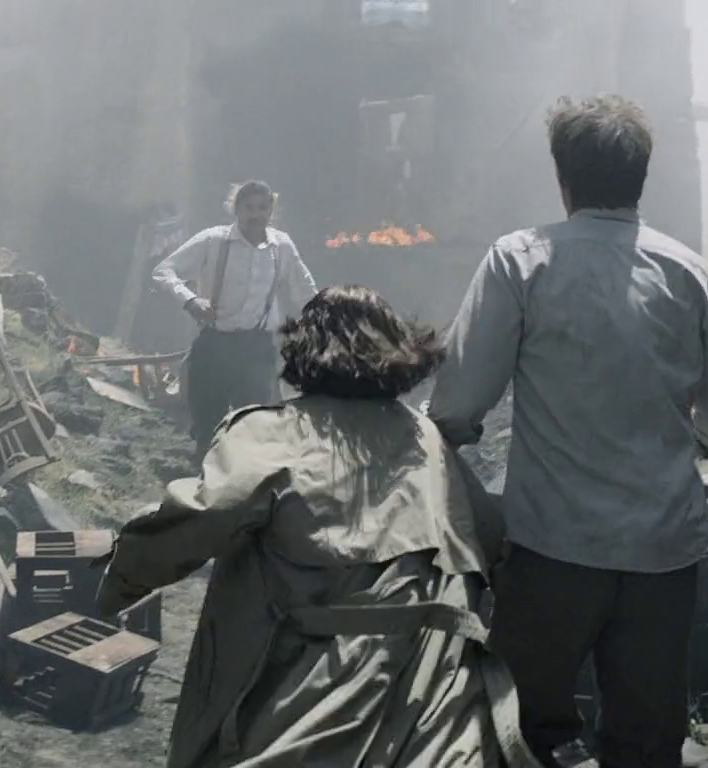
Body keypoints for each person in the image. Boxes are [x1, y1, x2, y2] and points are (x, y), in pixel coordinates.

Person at [426, 95, 708, 768]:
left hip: (553, 548)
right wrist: (685, 445)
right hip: (663, 554)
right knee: (646, 740)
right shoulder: (689, 272)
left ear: (562, 177)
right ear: (641, 177)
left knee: (518, 733)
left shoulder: (521, 261)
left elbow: (456, 406)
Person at [95, 285, 542, 768]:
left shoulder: (271, 432)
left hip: (320, 688)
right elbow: (488, 538)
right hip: (437, 700)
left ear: (303, 349)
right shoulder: (428, 439)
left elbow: (196, 519)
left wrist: (111, 587)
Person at [151, 180, 319, 458]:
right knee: (208, 424)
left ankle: (242, 478)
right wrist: (191, 301)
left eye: (262, 208)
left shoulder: (281, 246)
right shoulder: (214, 240)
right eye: (249, 207)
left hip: (257, 348)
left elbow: (305, 291)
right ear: (236, 209)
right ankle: (203, 472)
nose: (255, 215)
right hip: (216, 342)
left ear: (271, 211)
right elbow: (163, 272)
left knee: (251, 425)